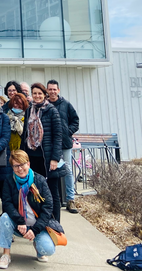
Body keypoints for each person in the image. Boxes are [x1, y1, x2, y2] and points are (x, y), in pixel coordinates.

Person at [0, 150, 64, 268]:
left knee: (48, 250)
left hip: (37, 225)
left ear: (28, 164)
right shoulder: (9, 181)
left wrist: (35, 230)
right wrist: (20, 221)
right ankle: (6, 254)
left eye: (22, 164)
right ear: (12, 167)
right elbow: (7, 204)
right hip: (18, 224)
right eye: (16, 166)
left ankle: (37, 245)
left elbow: (48, 207)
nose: (20, 169)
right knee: (5, 218)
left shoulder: (40, 180)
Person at [20, 83, 64, 222]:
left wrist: (55, 158)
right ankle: (37, 220)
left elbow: (58, 135)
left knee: (52, 192)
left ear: (44, 94)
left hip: (48, 158)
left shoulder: (51, 110)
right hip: (32, 157)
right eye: (34, 93)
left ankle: (54, 223)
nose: (37, 96)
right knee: (34, 191)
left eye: (39, 93)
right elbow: (25, 134)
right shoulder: (29, 110)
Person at [46, 79, 80, 214]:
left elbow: (75, 121)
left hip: (64, 143)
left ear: (58, 90)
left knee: (67, 171)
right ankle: (52, 200)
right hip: (50, 143)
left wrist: (67, 132)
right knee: (50, 170)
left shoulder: (66, 104)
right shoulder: (45, 105)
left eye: (55, 89)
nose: (52, 91)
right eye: (50, 89)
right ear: (47, 91)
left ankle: (70, 199)